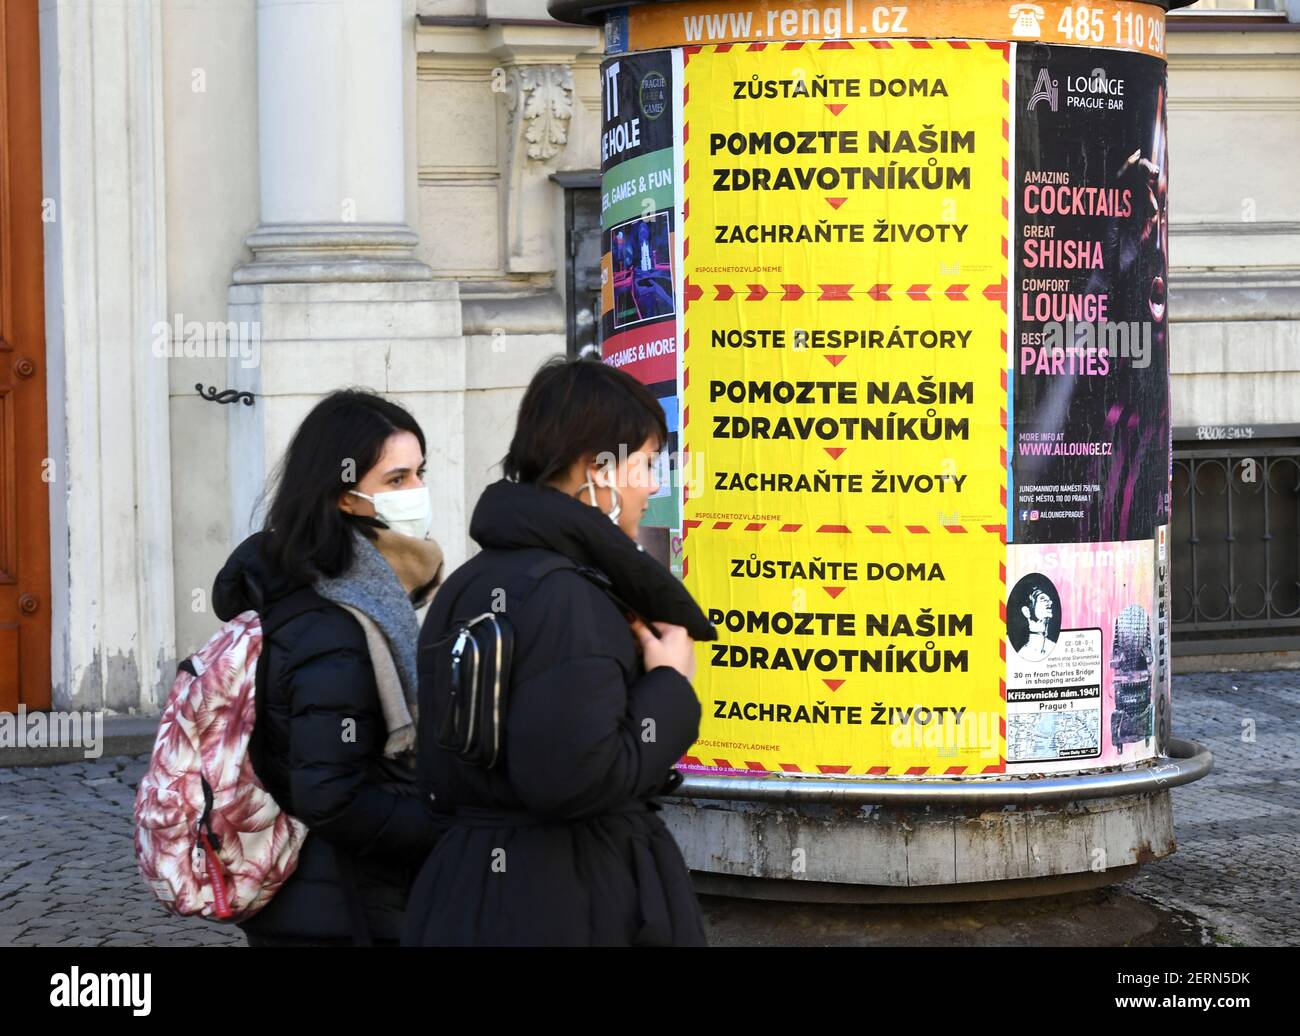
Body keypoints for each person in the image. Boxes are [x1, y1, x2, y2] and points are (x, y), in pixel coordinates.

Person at [402, 357, 715, 946]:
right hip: (565, 901)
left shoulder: (473, 581)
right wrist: (670, 686)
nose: (653, 485)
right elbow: (575, 779)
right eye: (645, 464)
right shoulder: (568, 596)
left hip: (474, 888)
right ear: (594, 468)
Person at [213, 389, 445, 946]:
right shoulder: (333, 625)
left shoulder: (367, 600)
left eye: (420, 473)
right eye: (396, 479)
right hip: (340, 906)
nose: (417, 492)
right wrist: (449, 820)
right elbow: (331, 798)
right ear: (344, 498)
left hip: (344, 897)